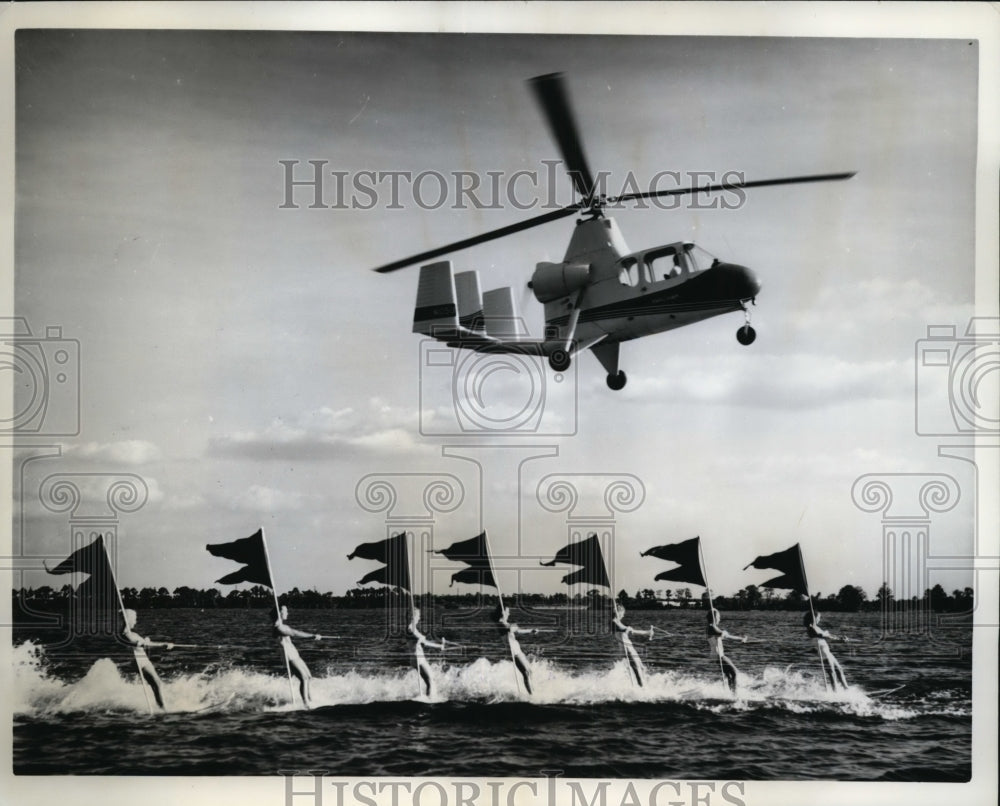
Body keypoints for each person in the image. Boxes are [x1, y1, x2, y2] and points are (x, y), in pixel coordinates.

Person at [120, 608, 173, 710]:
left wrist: (146, 641)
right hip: (139, 661)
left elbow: (143, 643)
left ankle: (162, 706)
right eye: (134, 619)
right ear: (128, 620)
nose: (135, 622)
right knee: (156, 683)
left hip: (143, 659)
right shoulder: (125, 635)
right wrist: (163, 645)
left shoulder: (132, 634)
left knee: (156, 683)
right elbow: (141, 645)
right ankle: (163, 709)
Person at [271, 605, 323, 709]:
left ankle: (310, 700)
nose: (287, 613)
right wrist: (312, 636)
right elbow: (295, 633)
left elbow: (293, 632)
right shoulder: (277, 628)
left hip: (295, 655)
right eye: (285, 611)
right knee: (303, 678)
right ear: (279, 613)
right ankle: (306, 704)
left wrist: (313, 636)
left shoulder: (284, 626)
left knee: (308, 676)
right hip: (288, 656)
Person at [496, 604, 537, 695]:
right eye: (508, 611)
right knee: (525, 672)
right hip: (513, 652)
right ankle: (531, 696)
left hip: (518, 650)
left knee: (530, 671)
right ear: (503, 612)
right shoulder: (500, 623)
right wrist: (514, 626)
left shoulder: (506, 623)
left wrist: (531, 630)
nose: (509, 613)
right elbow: (510, 629)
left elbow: (518, 630)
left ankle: (533, 690)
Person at [611, 602, 654, 687]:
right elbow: (622, 628)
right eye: (622, 613)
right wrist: (628, 629)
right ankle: (641, 688)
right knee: (636, 668)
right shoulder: (614, 622)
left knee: (641, 667)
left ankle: (645, 685)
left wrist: (647, 632)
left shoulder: (618, 622)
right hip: (626, 648)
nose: (623, 616)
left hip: (630, 648)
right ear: (618, 612)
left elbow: (632, 631)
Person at [407, 607, 446, 698]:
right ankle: (430, 700)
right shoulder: (410, 629)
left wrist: (439, 646)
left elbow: (423, 642)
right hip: (417, 658)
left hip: (417, 657)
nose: (419, 618)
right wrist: (422, 638)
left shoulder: (412, 629)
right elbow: (423, 641)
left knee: (431, 679)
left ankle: (430, 697)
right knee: (430, 681)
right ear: (414, 616)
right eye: (418, 616)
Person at [706, 608, 747, 694]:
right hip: (718, 656)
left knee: (729, 675)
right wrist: (724, 632)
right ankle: (735, 695)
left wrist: (740, 638)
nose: (720, 619)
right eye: (719, 617)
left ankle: (731, 693)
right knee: (735, 672)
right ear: (714, 618)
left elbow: (727, 636)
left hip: (718, 655)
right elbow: (722, 633)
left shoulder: (713, 627)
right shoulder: (711, 627)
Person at [804, 611, 848, 690]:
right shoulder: (810, 628)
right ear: (814, 618)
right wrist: (838, 640)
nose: (819, 619)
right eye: (818, 617)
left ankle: (846, 688)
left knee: (839, 669)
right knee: (832, 672)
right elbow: (822, 636)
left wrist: (840, 638)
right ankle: (835, 691)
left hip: (827, 651)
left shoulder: (817, 627)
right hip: (823, 652)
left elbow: (828, 635)